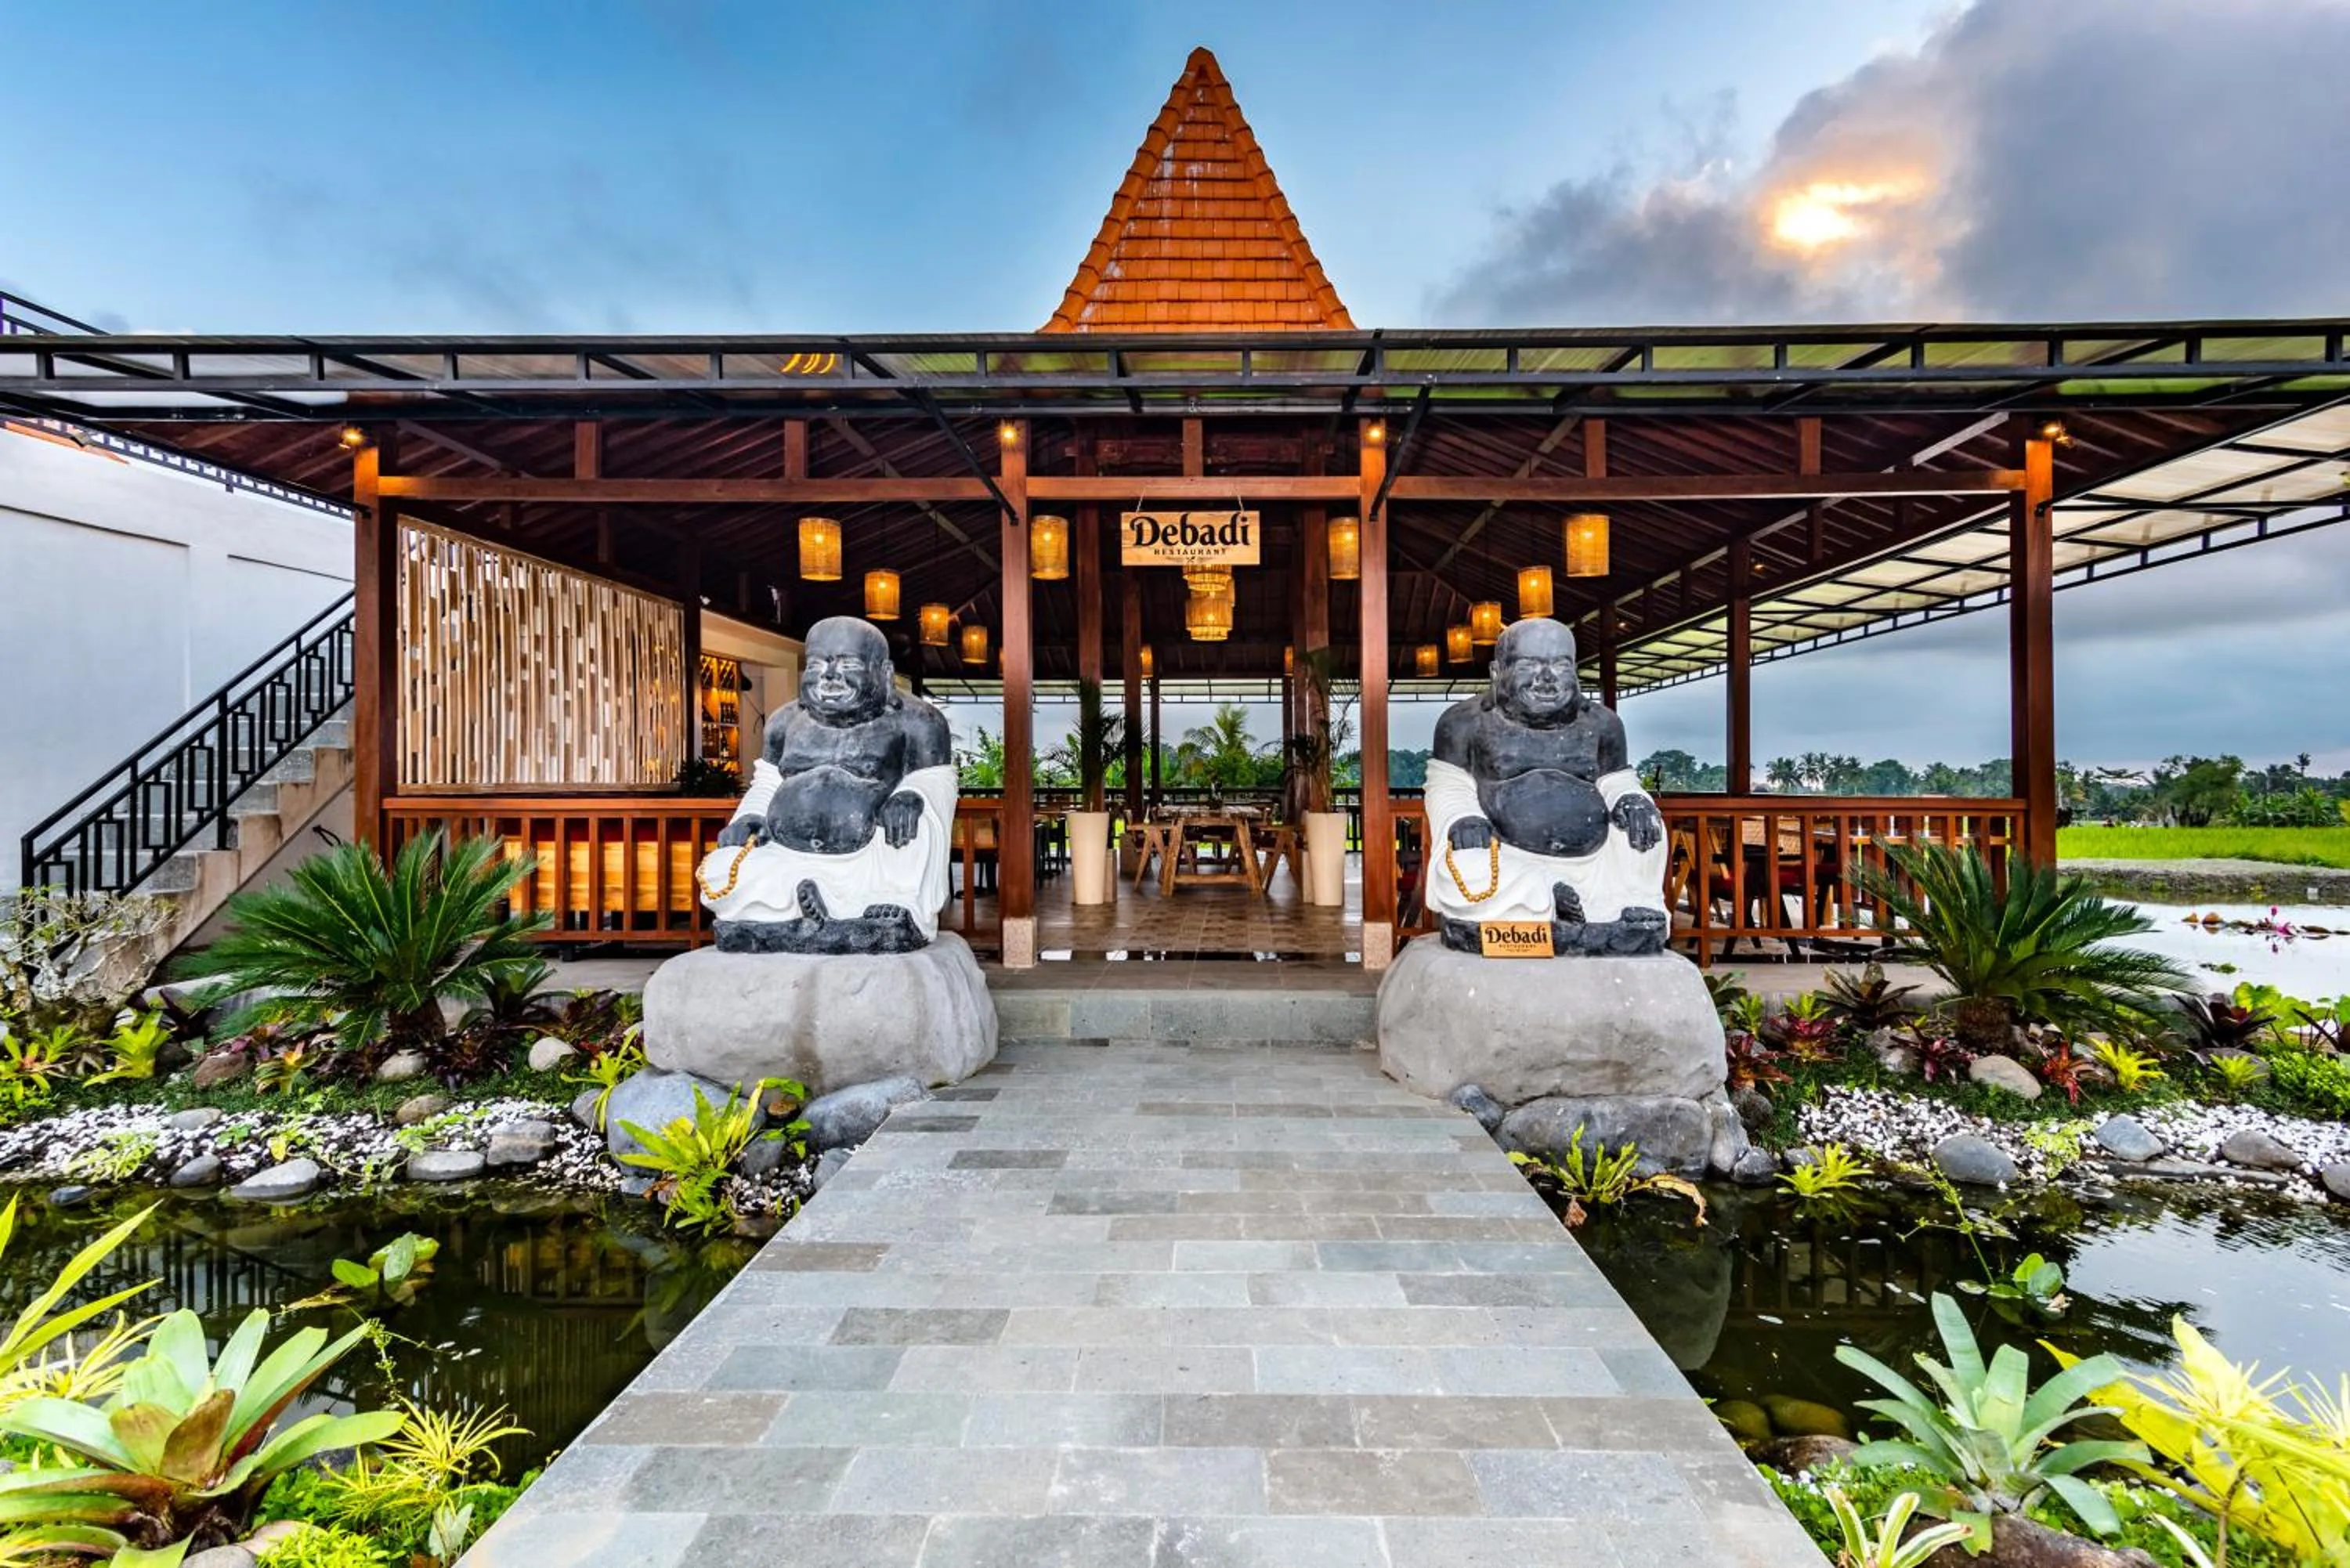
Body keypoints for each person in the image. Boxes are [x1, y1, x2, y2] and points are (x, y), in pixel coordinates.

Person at [700, 617, 956, 953]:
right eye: (819, 663)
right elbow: (767, 782)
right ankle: (800, 912)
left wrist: (913, 795)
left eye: (848, 664)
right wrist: (748, 818)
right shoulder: (784, 722)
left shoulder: (916, 720)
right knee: (723, 867)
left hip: (872, 856)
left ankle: (888, 906)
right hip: (785, 853)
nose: (830, 676)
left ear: (885, 673)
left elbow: (935, 777)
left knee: (915, 827)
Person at [1423, 617, 1669, 956]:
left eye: (1560, 665)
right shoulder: (1465, 721)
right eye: (1529, 664)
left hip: (1597, 866)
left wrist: (1631, 799)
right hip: (1508, 859)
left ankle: (1624, 907)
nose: (1547, 678)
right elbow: (1447, 783)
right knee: (1466, 863)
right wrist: (1462, 819)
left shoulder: (1602, 723)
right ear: (1497, 672)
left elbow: (1617, 779)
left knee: (1644, 829)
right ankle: (1542, 895)